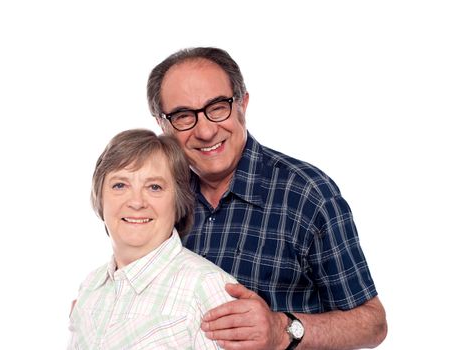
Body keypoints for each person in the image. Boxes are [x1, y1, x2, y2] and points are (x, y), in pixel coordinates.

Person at [147, 47, 388, 350]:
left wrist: (283, 328)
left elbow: (372, 323)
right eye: (184, 116)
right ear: (162, 123)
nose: (206, 131)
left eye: (218, 107)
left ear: (242, 104)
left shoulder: (307, 194)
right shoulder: (159, 196)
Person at [68, 129, 238, 349]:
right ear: (100, 198)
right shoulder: (90, 288)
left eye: (154, 187)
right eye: (120, 185)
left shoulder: (208, 288)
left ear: (178, 202)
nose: (136, 202)